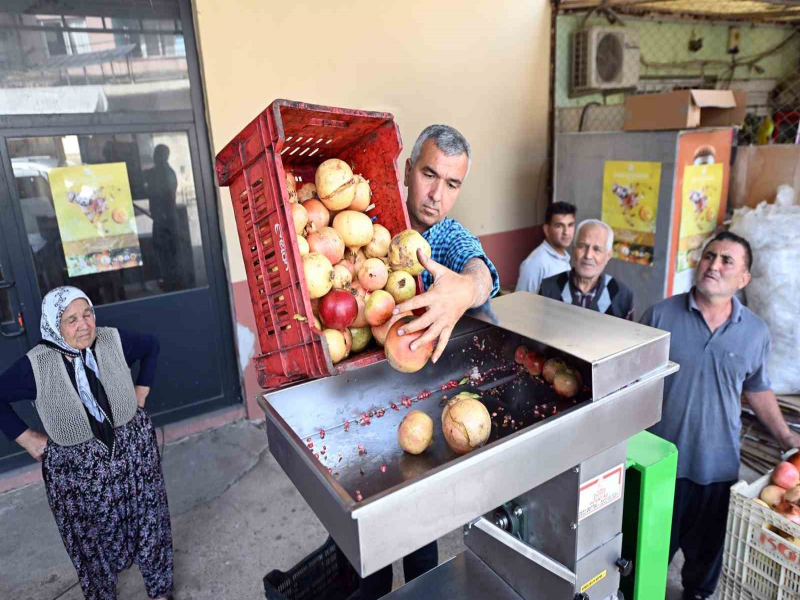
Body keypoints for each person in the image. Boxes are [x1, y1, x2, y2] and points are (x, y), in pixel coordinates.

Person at [361, 125, 499, 599]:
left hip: (414, 404)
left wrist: (466, 287)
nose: (437, 195)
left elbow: (480, 269)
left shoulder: (446, 239)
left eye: (453, 184)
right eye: (429, 174)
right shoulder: (370, 222)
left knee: (420, 532)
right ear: (407, 169)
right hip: (355, 402)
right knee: (362, 539)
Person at [641, 232, 800, 600]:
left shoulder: (755, 332)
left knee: (702, 572)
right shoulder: (660, 315)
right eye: (709, 256)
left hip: (718, 468)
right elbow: (636, 384)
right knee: (646, 560)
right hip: (661, 463)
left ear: (743, 279)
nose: (714, 264)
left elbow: (757, 389)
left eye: (727, 260)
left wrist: (787, 438)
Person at [0, 287, 173, 600]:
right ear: (54, 324)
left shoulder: (112, 339)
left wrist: (141, 391)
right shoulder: (36, 365)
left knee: (151, 522)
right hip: (77, 471)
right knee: (90, 541)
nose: (84, 325)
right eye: (71, 319)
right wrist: (26, 438)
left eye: (87, 314)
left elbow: (152, 346)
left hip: (133, 454)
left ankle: (160, 590)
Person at [538, 219, 634, 320]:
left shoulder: (622, 295)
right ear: (574, 249)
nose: (588, 256)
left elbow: (627, 335)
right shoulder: (548, 288)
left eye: (597, 249)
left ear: (608, 255)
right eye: (582, 246)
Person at [515, 201, 576, 293]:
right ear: (547, 230)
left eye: (570, 225)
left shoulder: (563, 257)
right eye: (559, 226)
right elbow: (521, 302)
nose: (566, 232)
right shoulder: (535, 263)